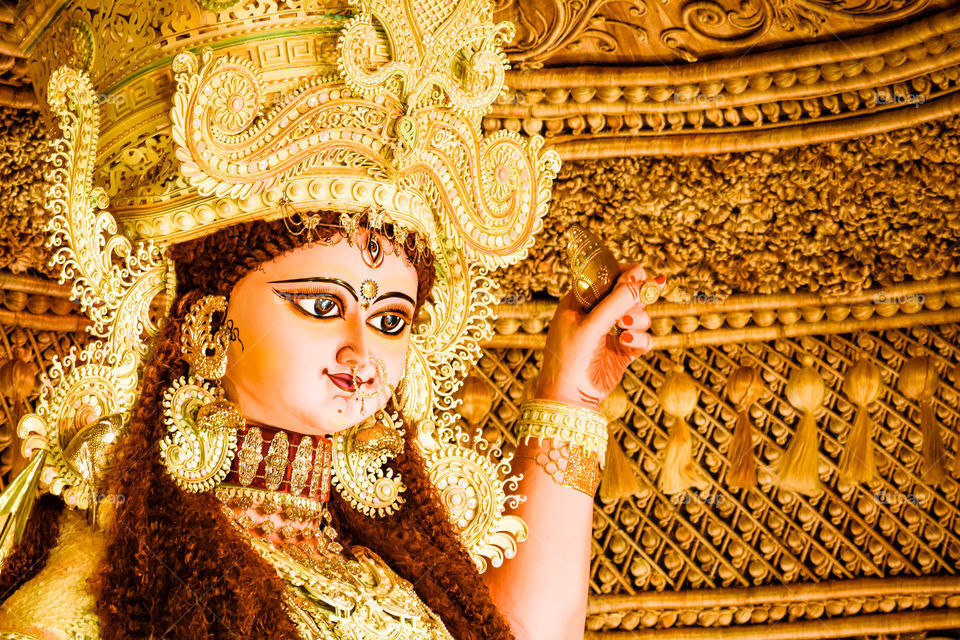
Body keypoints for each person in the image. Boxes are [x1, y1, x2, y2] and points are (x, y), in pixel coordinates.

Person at [0, 1, 659, 638]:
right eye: (322, 305)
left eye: (392, 320)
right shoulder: (110, 585)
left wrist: (570, 395)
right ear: (206, 326)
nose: (361, 349)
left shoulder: (385, 563)